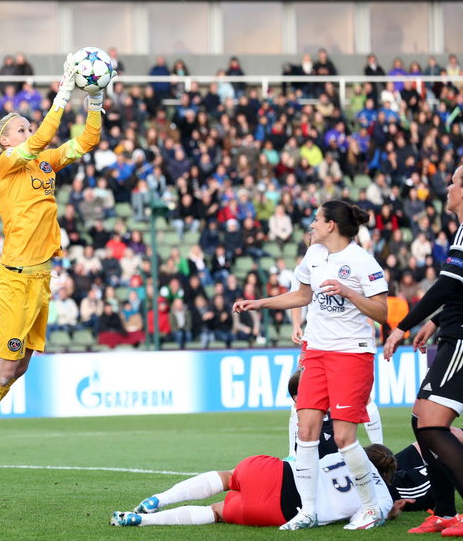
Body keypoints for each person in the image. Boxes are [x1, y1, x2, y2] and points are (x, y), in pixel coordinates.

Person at [0, 53, 103, 490]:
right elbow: (45, 137)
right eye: (21, 128)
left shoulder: (43, 162)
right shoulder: (6, 164)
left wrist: (95, 100)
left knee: (19, 369)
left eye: (29, 126)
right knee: (5, 366)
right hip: (16, 278)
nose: (30, 131)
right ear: (4, 141)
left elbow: (85, 142)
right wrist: (64, 94)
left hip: (41, 278)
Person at [233, 200, 389, 530]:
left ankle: (371, 506)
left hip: (351, 354)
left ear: (331, 225)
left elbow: (381, 313)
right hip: (316, 352)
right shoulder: (314, 255)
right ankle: (308, 511)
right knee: (306, 432)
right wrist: (259, 303)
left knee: (345, 436)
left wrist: (348, 292)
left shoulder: (362, 262)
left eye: (317, 219)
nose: (312, 225)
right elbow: (301, 295)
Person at [383, 164, 463, 536]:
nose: (447, 188)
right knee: (421, 421)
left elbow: (446, 285)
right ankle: (444, 510)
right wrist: (433, 322)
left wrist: (403, 325)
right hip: (450, 333)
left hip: (461, 340)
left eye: (454, 182)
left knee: (432, 424)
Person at [110, 444, 404, 529]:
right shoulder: (381, 495)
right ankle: (144, 521)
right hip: (284, 509)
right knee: (217, 512)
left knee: (227, 478)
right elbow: (360, 521)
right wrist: (388, 512)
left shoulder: (346, 453)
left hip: (280, 472)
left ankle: (157, 499)